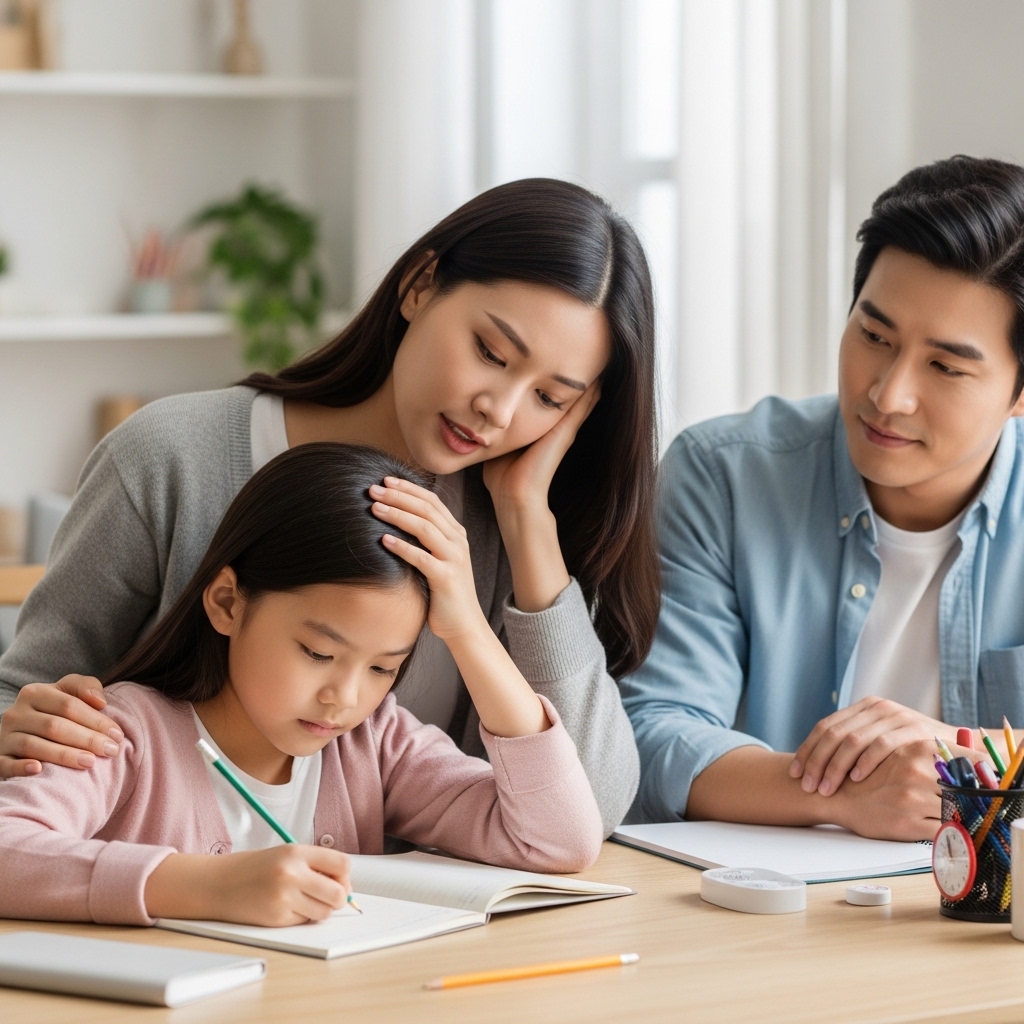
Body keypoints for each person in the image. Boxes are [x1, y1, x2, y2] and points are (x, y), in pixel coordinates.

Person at [0, 178, 659, 835]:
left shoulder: (520, 531)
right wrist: (21, 730)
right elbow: (24, 706)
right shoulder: (171, 458)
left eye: (550, 399)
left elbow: (589, 811)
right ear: (420, 284)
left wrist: (526, 524)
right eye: (490, 352)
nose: (501, 409)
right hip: (168, 906)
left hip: (409, 925)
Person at [0, 443, 603, 926]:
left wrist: (470, 631)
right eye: (318, 652)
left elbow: (559, 842)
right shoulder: (116, 733)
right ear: (229, 603)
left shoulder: (376, 744)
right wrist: (200, 886)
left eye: (382, 668)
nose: (344, 698)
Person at [622, 155, 1024, 841]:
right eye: (874, 336)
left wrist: (979, 761)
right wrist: (845, 796)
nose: (887, 395)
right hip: (774, 921)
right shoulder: (724, 476)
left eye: (946, 367)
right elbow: (649, 734)